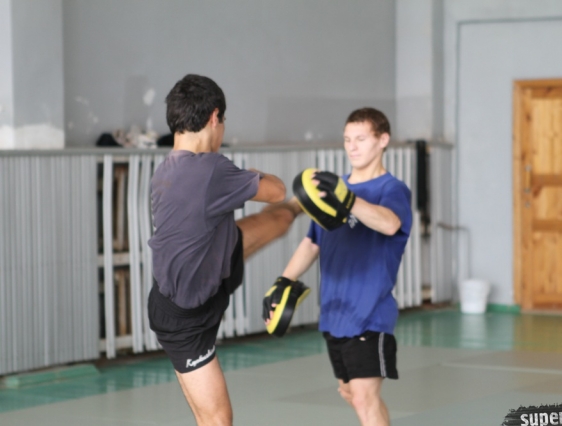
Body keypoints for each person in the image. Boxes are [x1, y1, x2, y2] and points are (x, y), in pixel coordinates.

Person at [147, 74, 300, 426]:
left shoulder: (167, 169)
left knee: (278, 220)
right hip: (187, 319)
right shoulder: (211, 169)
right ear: (215, 117)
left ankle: (302, 207)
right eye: (224, 121)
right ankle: (300, 206)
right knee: (216, 420)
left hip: (215, 257)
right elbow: (277, 190)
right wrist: (253, 173)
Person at [269, 107, 412, 426]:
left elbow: (390, 223)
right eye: (347, 139)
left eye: (361, 138)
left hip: (371, 312)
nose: (352, 146)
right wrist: (284, 281)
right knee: (350, 393)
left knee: (363, 398)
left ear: (383, 140)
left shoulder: (391, 189)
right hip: (335, 312)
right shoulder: (332, 191)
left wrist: (349, 200)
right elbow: (313, 242)